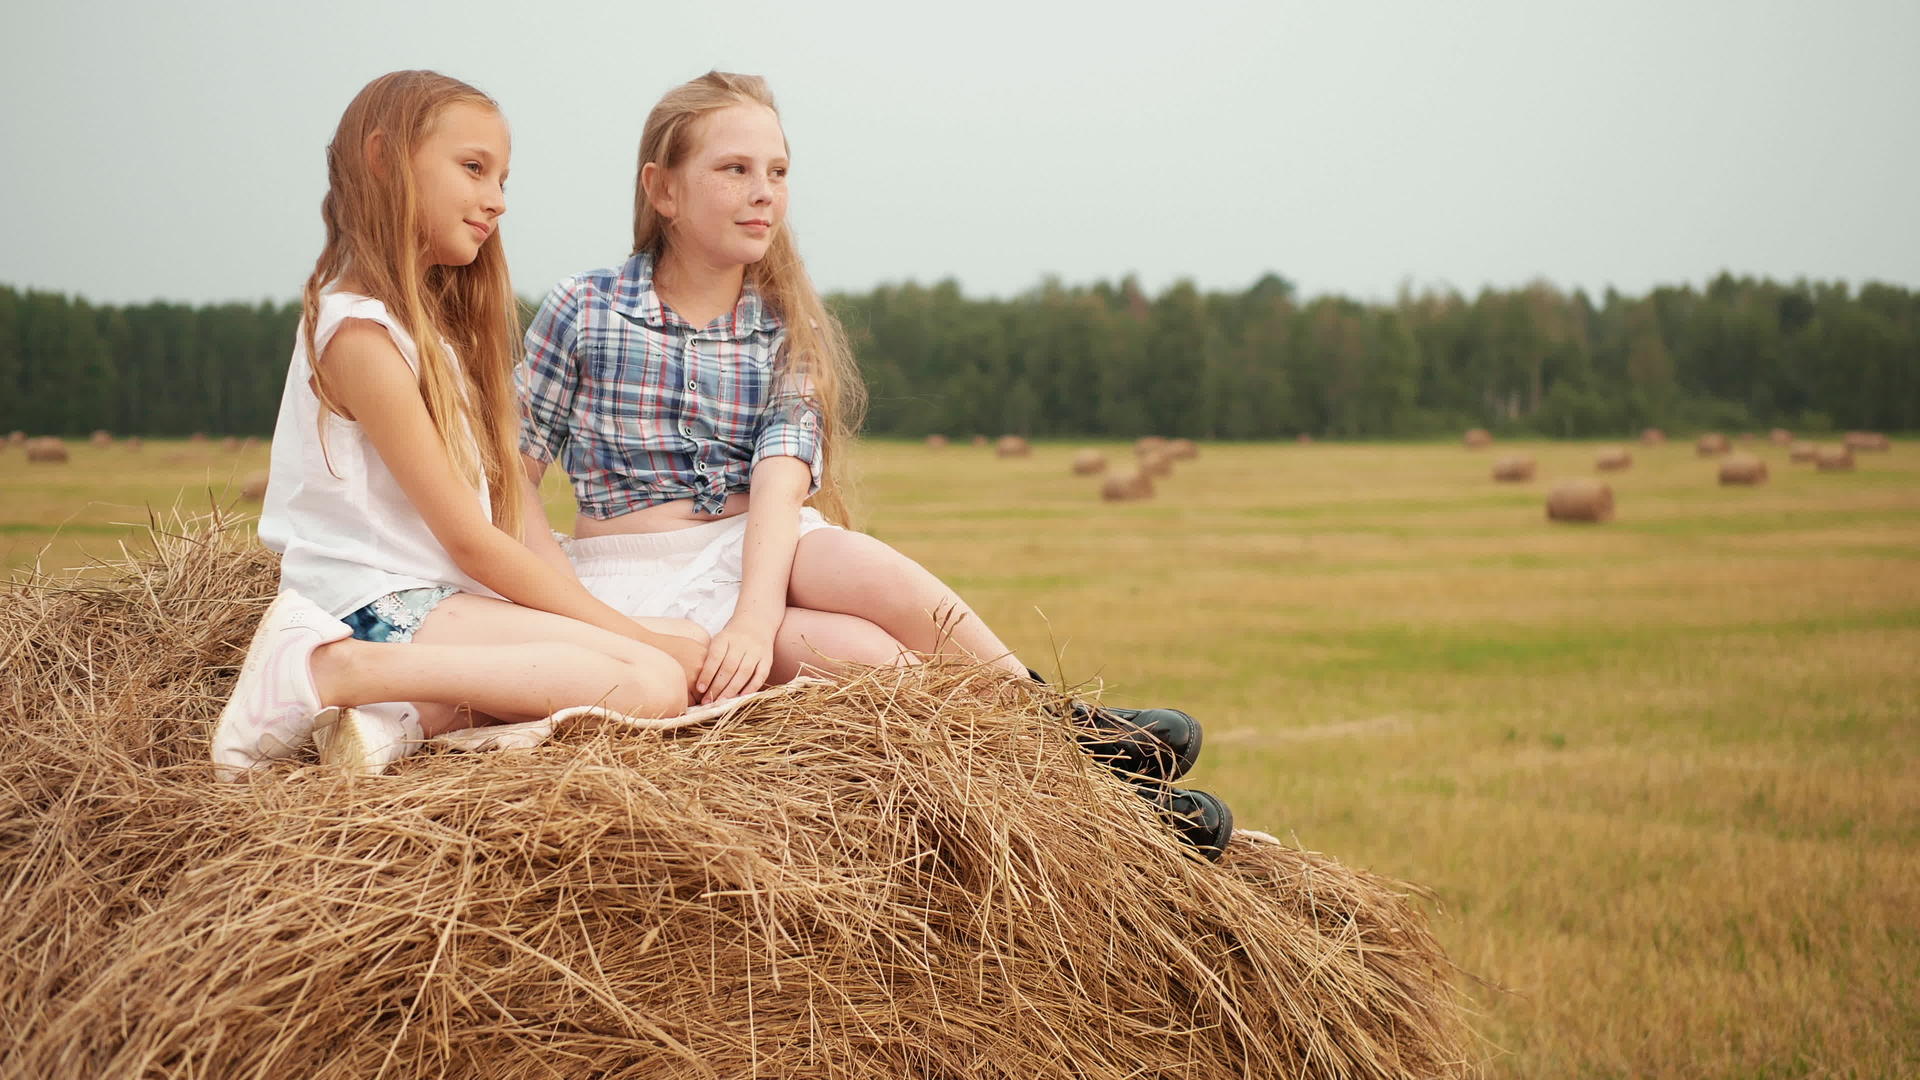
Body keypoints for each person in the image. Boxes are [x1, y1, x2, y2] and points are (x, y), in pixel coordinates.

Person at [515, 72, 1233, 857]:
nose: (764, 193)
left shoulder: (785, 324)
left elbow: (780, 476)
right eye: (735, 170)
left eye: (778, 172)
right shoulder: (584, 307)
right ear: (663, 189)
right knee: (874, 662)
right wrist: (556, 598)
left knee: (853, 558)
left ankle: (1062, 731)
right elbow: (511, 475)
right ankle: (1096, 796)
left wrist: (755, 618)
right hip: (632, 574)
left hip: (759, 553)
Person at [211, 70, 707, 782]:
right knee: (653, 682)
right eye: (474, 169)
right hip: (371, 604)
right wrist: (621, 635)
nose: (496, 200)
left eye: (502, 178)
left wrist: (595, 615)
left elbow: (513, 508)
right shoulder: (359, 333)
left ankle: (403, 718)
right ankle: (336, 674)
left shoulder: (441, 338)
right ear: (384, 160)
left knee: (682, 639)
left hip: (436, 601)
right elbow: (471, 541)